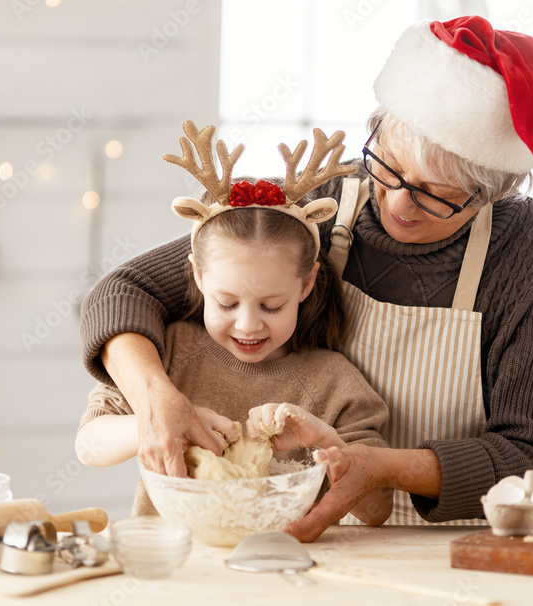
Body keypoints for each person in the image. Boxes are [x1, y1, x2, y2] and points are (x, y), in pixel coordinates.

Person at [80, 15, 533, 539]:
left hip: (455, 547)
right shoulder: (307, 208)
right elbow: (121, 293)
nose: (396, 203)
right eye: (386, 167)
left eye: (435, 193)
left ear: (494, 191)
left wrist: (384, 468)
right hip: (306, 547)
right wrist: (155, 400)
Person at [75, 121, 392, 525]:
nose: (247, 325)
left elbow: (377, 510)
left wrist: (326, 441)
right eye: (226, 303)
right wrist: (157, 425)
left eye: (272, 306)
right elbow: (88, 445)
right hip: (176, 571)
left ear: (307, 283)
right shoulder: (168, 353)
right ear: (198, 277)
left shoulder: (335, 383)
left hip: (289, 573)